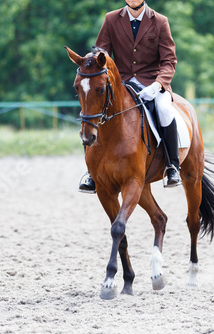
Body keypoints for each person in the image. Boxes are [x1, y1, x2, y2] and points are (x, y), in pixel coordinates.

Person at [78, 0, 181, 193]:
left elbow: (169, 60)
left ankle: (172, 166)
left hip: (152, 83)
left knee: (165, 110)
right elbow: (102, 52)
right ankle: (91, 173)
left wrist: (158, 84)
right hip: (122, 82)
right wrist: (96, 57)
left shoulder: (160, 21)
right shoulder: (111, 19)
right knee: (92, 112)